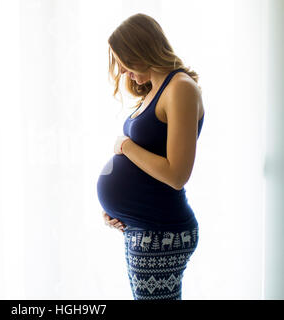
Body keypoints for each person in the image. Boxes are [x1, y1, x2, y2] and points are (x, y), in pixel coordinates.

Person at [96, 13, 205, 300]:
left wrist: (125, 147)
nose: (121, 71)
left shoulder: (180, 88)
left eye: (124, 61)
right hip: (145, 229)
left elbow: (177, 174)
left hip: (162, 233)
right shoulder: (154, 90)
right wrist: (118, 212)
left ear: (141, 49)